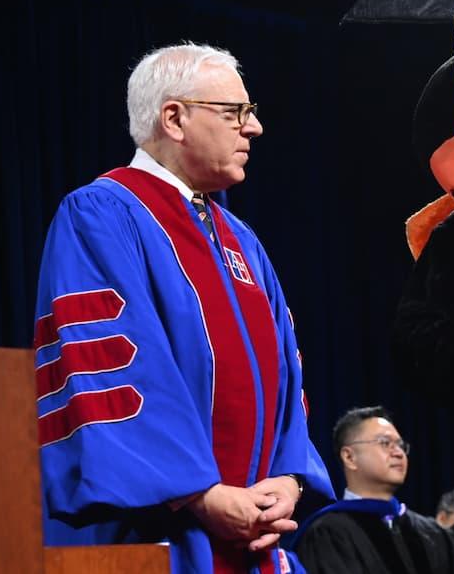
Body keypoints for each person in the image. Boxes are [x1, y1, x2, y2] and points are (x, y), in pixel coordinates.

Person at [33, 42, 334, 574]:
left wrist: (289, 480)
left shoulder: (241, 238)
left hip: (259, 536)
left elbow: (287, 372)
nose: (254, 128)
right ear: (174, 117)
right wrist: (199, 494)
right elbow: (112, 367)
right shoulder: (104, 214)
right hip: (160, 534)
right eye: (236, 112)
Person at [292, 407, 454, 574]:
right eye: (385, 443)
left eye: (400, 445)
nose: (399, 453)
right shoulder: (327, 533)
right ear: (350, 457)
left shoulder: (434, 534)